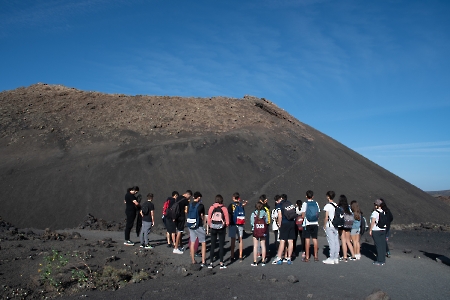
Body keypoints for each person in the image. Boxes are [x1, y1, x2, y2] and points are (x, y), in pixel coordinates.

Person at [272, 194, 295, 265]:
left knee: (282, 241)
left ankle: (279, 258)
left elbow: (280, 215)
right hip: (292, 222)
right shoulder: (289, 203)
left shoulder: (280, 205)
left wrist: (279, 224)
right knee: (290, 241)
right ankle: (289, 258)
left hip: (284, 223)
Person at [207, 194, 229, 269]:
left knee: (212, 245)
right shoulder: (224, 208)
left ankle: (211, 263)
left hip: (213, 228)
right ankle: (221, 263)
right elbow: (227, 220)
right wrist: (225, 226)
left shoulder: (211, 207)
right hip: (221, 228)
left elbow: (209, 218)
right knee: (221, 245)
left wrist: (211, 225)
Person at [300, 190, 320, 262]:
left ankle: (307, 257)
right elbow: (318, 213)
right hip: (315, 223)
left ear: (306, 196)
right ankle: (316, 257)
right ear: (313, 196)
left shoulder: (305, 203)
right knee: (315, 239)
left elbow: (302, 215)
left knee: (307, 240)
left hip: (307, 223)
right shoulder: (316, 203)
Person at [188, 191, 207, 266]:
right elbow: (202, 216)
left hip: (190, 225)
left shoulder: (189, 205)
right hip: (198, 225)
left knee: (192, 242)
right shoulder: (201, 206)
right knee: (203, 243)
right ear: (199, 197)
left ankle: (193, 260)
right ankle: (203, 261)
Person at [228, 192, 247, 262]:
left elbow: (229, 214)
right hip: (240, 223)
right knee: (240, 239)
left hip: (233, 223)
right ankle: (240, 255)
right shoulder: (241, 205)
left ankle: (232, 255)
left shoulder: (231, 205)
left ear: (233, 197)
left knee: (233, 239)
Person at [322, 191, 339, 264]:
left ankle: (331, 258)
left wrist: (324, 225)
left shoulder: (327, 206)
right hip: (336, 225)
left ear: (328, 197)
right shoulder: (336, 205)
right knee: (336, 241)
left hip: (330, 225)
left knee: (331, 241)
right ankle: (336, 257)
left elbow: (326, 217)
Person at [337, 195, 356, 261]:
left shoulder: (339, 207)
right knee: (348, 240)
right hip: (349, 225)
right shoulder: (348, 207)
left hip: (342, 225)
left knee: (343, 240)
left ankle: (345, 256)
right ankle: (353, 255)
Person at [173, 190, 192, 254]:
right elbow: (186, 211)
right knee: (180, 231)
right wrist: (188, 204)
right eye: (189, 197)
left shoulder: (178, 197)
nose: (189, 198)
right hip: (181, 217)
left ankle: (181, 246)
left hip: (176, 216)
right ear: (188, 195)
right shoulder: (186, 200)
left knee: (179, 231)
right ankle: (175, 248)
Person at [250, 201, 269, 266]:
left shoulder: (253, 214)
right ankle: (263, 261)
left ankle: (255, 261)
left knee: (255, 246)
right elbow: (266, 221)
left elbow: (252, 223)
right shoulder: (264, 213)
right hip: (263, 231)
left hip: (255, 231)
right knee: (263, 245)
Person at [370, 199, 387, 265]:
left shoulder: (375, 212)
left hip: (376, 230)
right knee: (383, 245)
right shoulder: (383, 212)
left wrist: (370, 230)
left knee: (378, 245)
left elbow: (373, 222)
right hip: (383, 229)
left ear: (376, 205)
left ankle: (380, 260)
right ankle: (383, 259)